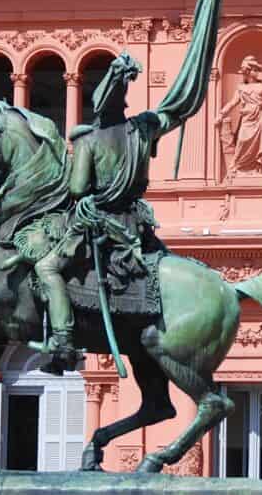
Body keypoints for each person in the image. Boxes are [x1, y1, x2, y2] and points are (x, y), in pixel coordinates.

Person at [33, 53, 174, 373]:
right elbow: (177, 108)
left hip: (97, 225)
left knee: (47, 268)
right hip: (134, 224)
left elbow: (79, 187)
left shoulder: (89, 140)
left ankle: (64, 342)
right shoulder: (141, 131)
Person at [215, 56, 262, 178]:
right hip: (248, 118)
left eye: (256, 69)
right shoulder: (241, 88)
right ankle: (239, 168)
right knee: (242, 140)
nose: (256, 72)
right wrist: (221, 114)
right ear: (249, 71)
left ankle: (259, 169)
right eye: (254, 69)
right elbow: (233, 102)